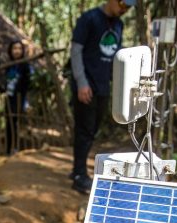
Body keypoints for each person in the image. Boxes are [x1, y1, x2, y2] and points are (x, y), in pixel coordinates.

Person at [70, 0, 134, 194]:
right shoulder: (89, 19)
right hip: (86, 86)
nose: (124, 10)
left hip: (103, 86)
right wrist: (81, 83)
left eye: (128, 8)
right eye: (123, 5)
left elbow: (116, 57)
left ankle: (77, 170)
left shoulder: (118, 24)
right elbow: (76, 51)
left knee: (93, 129)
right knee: (85, 129)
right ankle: (80, 175)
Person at [5, 40, 32, 155]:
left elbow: (27, 84)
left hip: (20, 97)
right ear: (10, 51)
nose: (17, 51)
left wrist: (25, 101)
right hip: (9, 96)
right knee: (9, 122)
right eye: (14, 49)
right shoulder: (8, 65)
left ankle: (18, 147)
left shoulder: (25, 66)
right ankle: (9, 148)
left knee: (18, 121)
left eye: (19, 49)